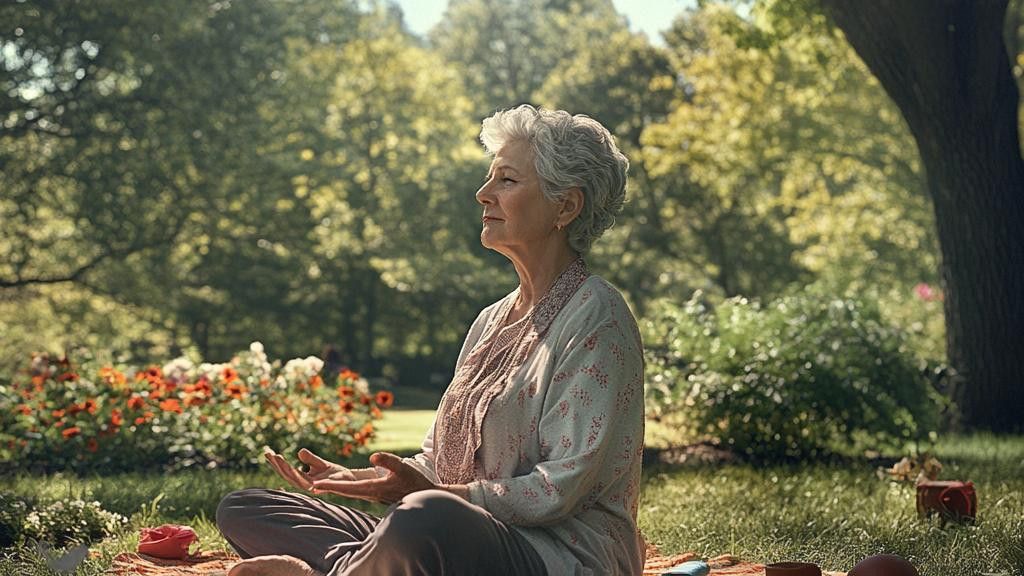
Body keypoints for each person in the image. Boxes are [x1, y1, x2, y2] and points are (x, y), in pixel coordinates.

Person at [216, 105, 645, 576]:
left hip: (557, 555)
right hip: (454, 531)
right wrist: (365, 479)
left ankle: (337, 569)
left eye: (506, 180)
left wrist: (429, 497)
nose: (483, 194)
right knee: (246, 507)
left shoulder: (596, 315)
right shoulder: (490, 320)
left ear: (566, 206)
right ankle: (356, 565)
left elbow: (559, 489)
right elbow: (439, 460)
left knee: (424, 518)